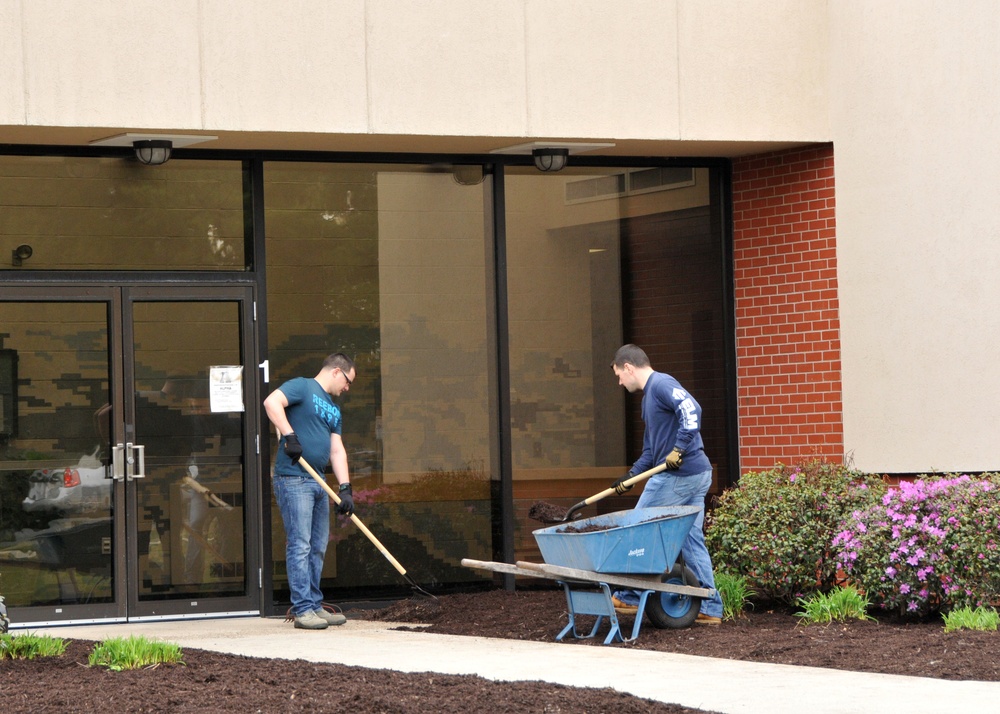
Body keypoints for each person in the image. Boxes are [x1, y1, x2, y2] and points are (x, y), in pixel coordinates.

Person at [608, 344, 724, 625]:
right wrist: (630, 476)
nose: (620, 383)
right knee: (690, 538)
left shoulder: (661, 384)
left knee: (638, 528)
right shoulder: (650, 399)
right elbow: (652, 451)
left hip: (679, 476)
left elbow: (692, 409)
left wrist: (679, 449)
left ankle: (633, 596)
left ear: (628, 367)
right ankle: (709, 606)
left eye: (619, 376)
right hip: (696, 474)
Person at [264, 353, 357, 630]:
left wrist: (345, 489)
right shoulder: (303, 387)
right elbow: (272, 401)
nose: (347, 389)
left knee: (318, 546)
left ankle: (315, 605)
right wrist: (289, 435)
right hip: (294, 479)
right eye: (348, 382)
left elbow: (337, 450)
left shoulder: (334, 410)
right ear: (337, 371)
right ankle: (303, 609)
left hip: (319, 483)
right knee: (300, 544)